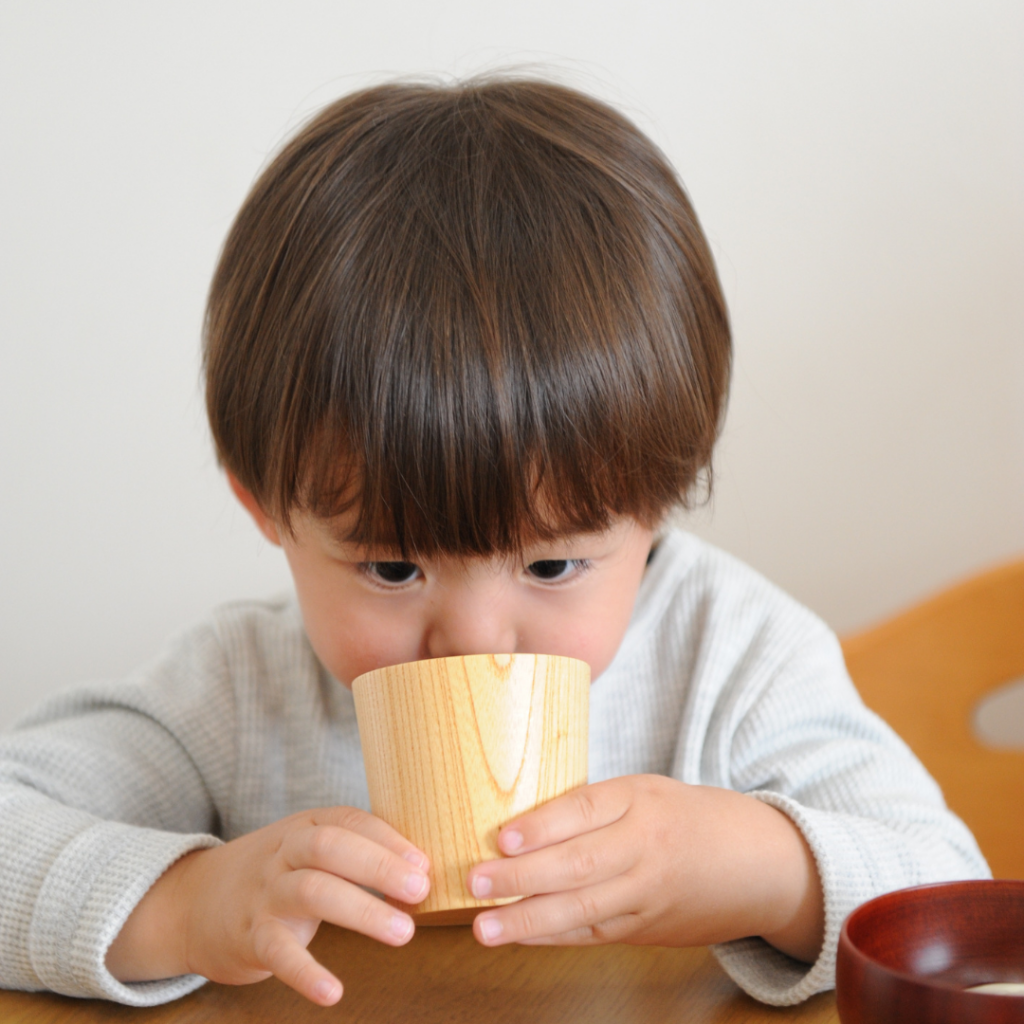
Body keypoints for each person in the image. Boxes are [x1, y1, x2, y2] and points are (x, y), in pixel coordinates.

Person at [0, 77, 988, 1010]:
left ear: (656, 505)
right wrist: (184, 904)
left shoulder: (730, 661)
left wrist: (763, 870)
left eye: (553, 564)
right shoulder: (236, 694)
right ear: (267, 510)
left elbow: (955, 903)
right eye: (393, 566)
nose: (475, 637)